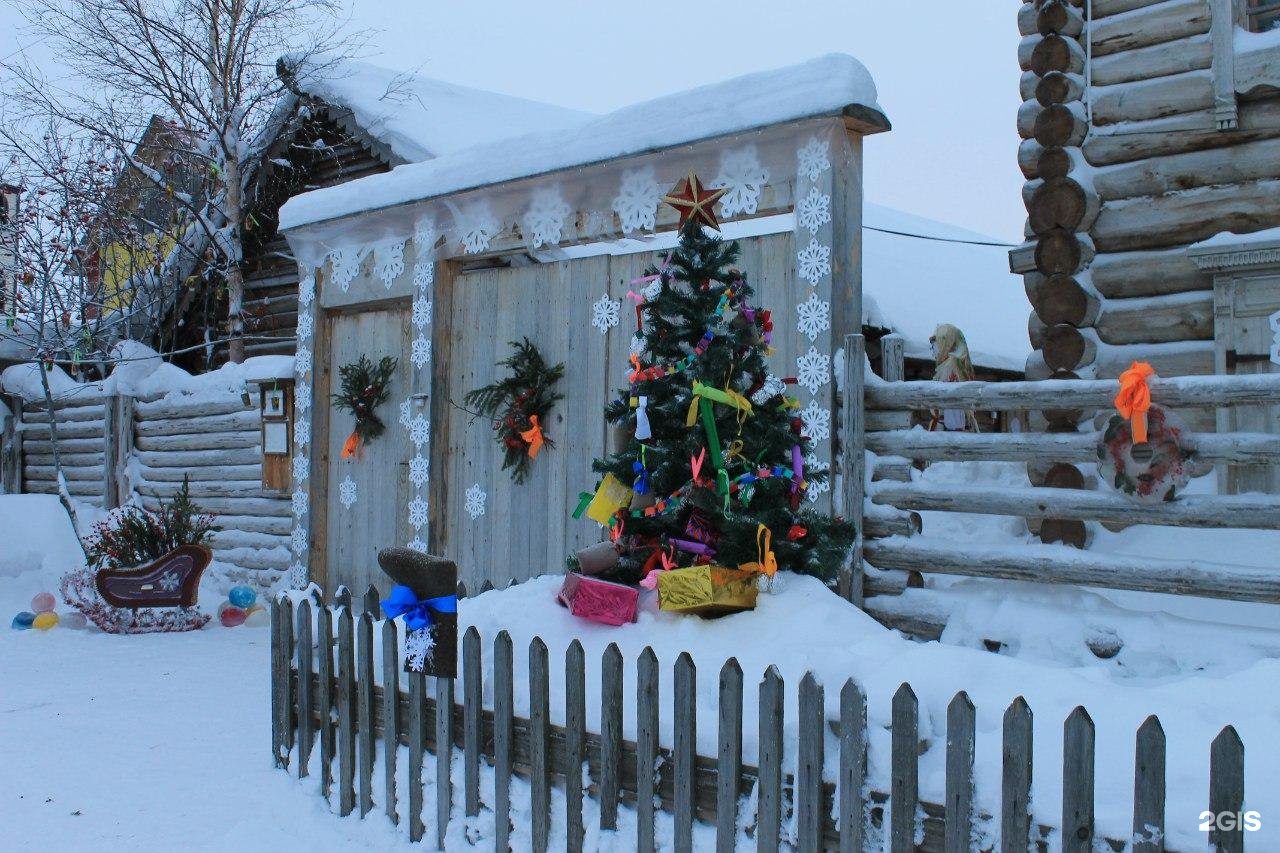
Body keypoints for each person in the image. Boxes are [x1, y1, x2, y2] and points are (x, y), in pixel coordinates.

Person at [928, 323, 979, 432]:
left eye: (935, 343)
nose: (932, 348)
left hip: (949, 432)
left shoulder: (950, 367)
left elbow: (953, 407)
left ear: (945, 343)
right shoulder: (952, 366)